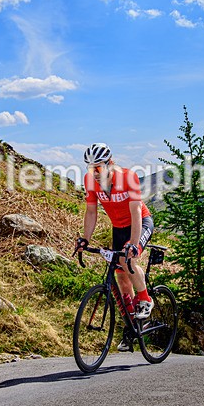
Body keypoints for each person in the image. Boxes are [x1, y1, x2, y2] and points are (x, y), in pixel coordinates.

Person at [75, 143, 154, 351]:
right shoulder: (90, 181)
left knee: (126, 260)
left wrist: (134, 245)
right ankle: (131, 328)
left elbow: (136, 212)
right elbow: (91, 212)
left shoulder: (128, 177)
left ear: (110, 164)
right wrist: (85, 239)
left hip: (140, 223)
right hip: (118, 227)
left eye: (98, 168)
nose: (95, 173)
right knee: (120, 277)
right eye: (90, 169)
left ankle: (145, 299)